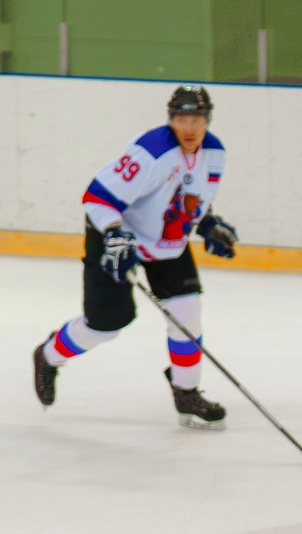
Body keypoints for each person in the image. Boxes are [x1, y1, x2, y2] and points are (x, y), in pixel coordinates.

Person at [33, 85, 240, 429]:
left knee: (187, 312)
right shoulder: (151, 152)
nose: (189, 127)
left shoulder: (214, 152)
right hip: (115, 234)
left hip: (166, 239)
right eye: (181, 119)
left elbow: (191, 197)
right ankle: (48, 354)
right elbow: (97, 197)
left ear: (208, 120)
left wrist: (206, 224)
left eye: (196, 119)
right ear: (170, 120)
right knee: (106, 325)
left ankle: (186, 392)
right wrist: (114, 234)